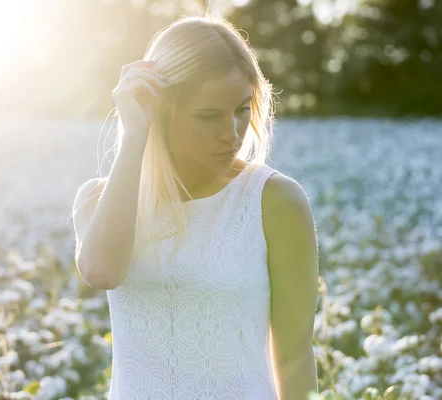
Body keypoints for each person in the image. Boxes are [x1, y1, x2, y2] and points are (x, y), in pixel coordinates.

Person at [72, 14, 319, 400]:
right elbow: (103, 271)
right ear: (161, 111)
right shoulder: (98, 200)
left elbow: (293, 356)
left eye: (241, 109)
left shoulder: (274, 200)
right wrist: (136, 134)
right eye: (209, 116)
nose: (232, 133)